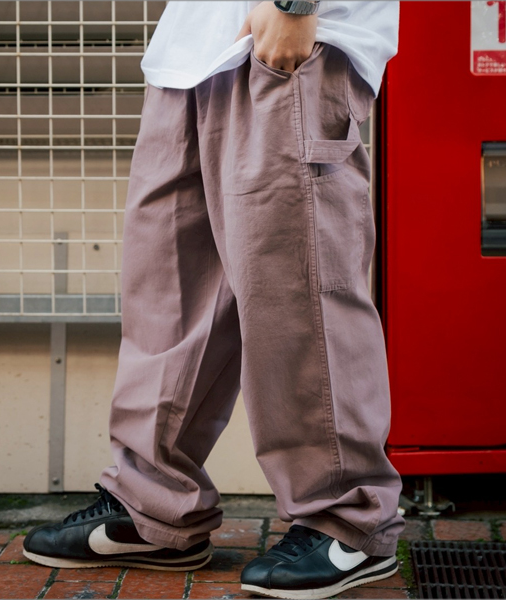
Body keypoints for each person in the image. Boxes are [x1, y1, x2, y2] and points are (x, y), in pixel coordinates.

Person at [22, 1, 406, 598]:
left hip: (289, 43)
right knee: (169, 302)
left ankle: (347, 517)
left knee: (299, 297)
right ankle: (154, 508)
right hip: (188, 58)